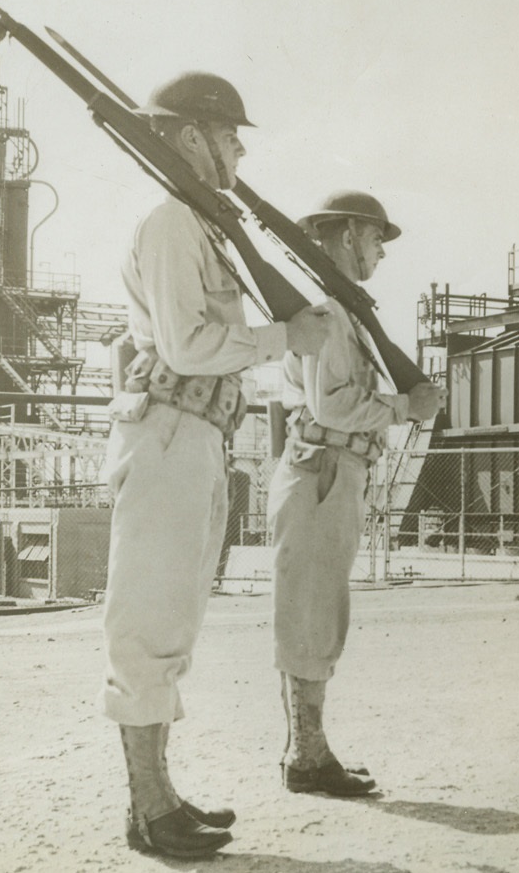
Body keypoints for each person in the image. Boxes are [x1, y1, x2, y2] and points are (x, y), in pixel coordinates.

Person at [98, 72, 333, 859]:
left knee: (172, 624)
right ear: (193, 136)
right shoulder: (172, 220)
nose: (240, 149)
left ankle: (160, 797)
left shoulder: (199, 223)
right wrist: (284, 338)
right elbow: (186, 344)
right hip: (168, 430)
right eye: (230, 134)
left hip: (196, 432)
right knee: (148, 625)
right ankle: (148, 808)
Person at [268, 190, 444, 796]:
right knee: (312, 616)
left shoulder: (341, 310)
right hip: (322, 470)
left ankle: (306, 750)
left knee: (314, 613)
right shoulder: (329, 312)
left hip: (330, 471)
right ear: (347, 236)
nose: (381, 252)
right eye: (375, 238)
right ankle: (307, 756)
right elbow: (331, 404)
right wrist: (404, 406)